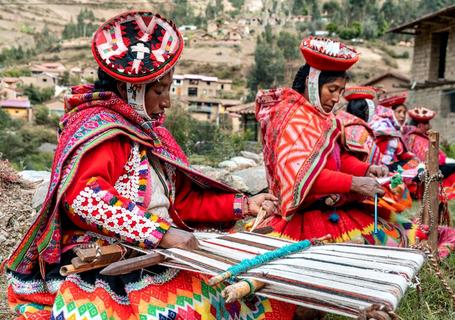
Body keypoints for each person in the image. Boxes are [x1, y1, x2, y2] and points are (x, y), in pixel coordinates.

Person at [4, 12, 293, 319]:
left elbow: (181, 201)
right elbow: (85, 200)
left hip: (161, 250)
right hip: (108, 258)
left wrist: (244, 205)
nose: (166, 101)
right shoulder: (97, 130)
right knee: (183, 309)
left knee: (258, 290)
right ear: (133, 90)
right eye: (159, 91)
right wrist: (162, 234)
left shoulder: (154, 137)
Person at [255, 37, 425, 246]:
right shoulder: (292, 118)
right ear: (312, 83)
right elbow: (302, 175)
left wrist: (365, 169)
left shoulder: (324, 119)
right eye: (332, 89)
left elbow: (336, 157)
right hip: (304, 217)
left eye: (340, 92)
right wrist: (354, 183)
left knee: (400, 236)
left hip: (332, 205)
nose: (336, 99)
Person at [403, 107, 455, 200]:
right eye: (427, 123)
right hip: (422, 171)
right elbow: (429, 159)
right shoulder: (415, 138)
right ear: (419, 125)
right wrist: (446, 160)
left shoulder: (416, 136)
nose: (430, 126)